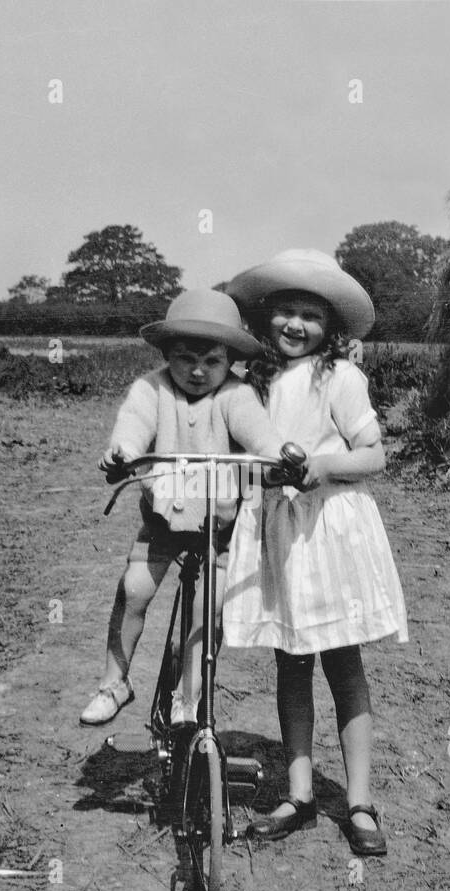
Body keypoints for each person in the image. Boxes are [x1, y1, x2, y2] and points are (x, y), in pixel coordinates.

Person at [222, 249, 409, 856]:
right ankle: (299, 793)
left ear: (331, 329)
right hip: (282, 531)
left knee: (342, 663)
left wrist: (323, 466)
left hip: (328, 531)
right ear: (266, 320)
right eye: (285, 313)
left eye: (310, 315)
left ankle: (359, 801)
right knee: (291, 660)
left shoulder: (341, 379)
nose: (295, 326)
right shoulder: (255, 383)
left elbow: (374, 455)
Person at [80, 289, 285, 726]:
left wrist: (277, 457)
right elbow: (133, 426)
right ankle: (115, 681)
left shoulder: (236, 395)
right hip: (162, 523)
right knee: (134, 589)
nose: (197, 371)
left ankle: (187, 698)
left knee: (206, 608)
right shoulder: (151, 388)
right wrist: (123, 453)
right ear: (167, 354)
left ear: (229, 360)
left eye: (211, 360)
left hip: (218, 528)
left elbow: (259, 435)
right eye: (184, 358)